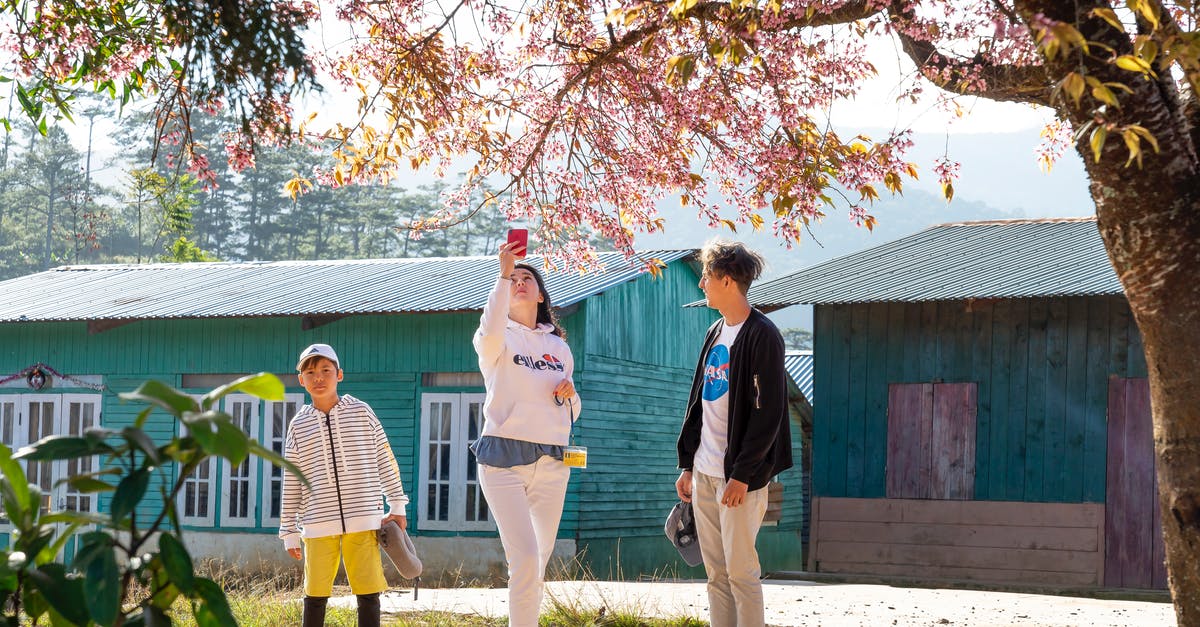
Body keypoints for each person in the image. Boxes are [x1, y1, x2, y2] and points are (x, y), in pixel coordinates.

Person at [675, 240, 793, 627]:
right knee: (716, 575)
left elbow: (770, 415)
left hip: (740, 477)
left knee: (741, 572)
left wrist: (742, 475)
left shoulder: (763, 335)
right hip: (705, 471)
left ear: (726, 281)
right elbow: (700, 402)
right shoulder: (714, 332)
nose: (701, 284)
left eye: (706, 276)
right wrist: (688, 464)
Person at [471, 241, 581, 627]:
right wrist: (502, 274)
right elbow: (488, 331)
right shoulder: (496, 340)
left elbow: (570, 410)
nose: (519, 282)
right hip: (503, 462)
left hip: (553, 461)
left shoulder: (559, 347)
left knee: (539, 563)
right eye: (513, 278)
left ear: (540, 294)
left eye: (526, 278)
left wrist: (570, 394)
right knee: (525, 558)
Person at [279, 343, 409, 627]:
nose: (318, 378)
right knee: (314, 595)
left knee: (368, 592)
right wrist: (288, 528)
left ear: (339, 374)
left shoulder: (361, 412)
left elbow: (385, 458)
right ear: (301, 380)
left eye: (326, 370)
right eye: (310, 372)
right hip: (316, 524)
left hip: (363, 517)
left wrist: (397, 504)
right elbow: (292, 478)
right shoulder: (298, 425)